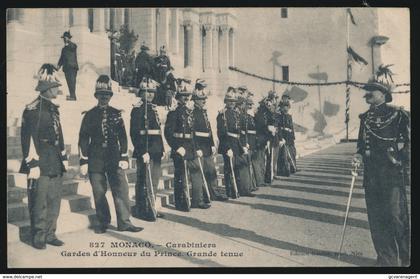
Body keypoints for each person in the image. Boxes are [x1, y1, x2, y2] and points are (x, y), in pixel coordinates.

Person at [352, 78, 410, 267]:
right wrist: (358, 157)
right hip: (372, 176)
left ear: (383, 94)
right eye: (367, 90)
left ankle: (407, 258)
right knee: (376, 218)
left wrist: (402, 159)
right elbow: (361, 145)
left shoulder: (398, 115)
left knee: (396, 216)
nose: (367, 93)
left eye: (372, 91)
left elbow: (409, 142)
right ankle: (386, 259)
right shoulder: (365, 118)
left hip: (392, 175)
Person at [78, 75, 143, 234]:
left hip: (114, 157)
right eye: (101, 95)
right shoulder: (89, 115)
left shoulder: (116, 113)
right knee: (99, 193)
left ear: (110, 96)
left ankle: (124, 222)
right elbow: (83, 138)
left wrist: (124, 157)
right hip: (96, 158)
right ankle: (102, 222)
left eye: (107, 95)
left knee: (121, 190)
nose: (104, 97)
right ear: (96, 96)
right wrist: (84, 160)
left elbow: (123, 137)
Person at [19, 64, 68, 249]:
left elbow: (59, 134)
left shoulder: (54, 108)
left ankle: (50, 234)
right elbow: (28, 138)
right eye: (55, 87)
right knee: (39, 201)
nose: (57, 89)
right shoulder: (32, 109)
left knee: (54, 200)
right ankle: (38, 236)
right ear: (46, 88)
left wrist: (63, 157)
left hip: (54, 160)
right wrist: (32, 163)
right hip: (40, 162)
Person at [164, 80, 210, 211]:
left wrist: (197, 148)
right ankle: (182, 202)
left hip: (191, 147)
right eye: (183, 95)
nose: (185, 98)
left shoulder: (189, 112)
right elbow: (168, 132)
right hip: (180, 148)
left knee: (196, 173)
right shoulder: (173, 112)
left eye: (187, 96)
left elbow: (192, 132)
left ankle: (197, 200)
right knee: (181, 176)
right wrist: (177, 147)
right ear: (178, 97)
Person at [130, 78, 165, 221]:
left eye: (152, 92)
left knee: (154, 180)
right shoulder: (137, 109)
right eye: (147, 92)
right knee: (144, 180)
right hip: (144, 150)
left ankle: (151, 207)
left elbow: (157, 132)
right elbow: (135, 133)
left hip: (155, 150)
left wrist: (161, 149)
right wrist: (142, 150)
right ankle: (141, 209)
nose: (150, 94)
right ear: (141, 93)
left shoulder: (153, 108)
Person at [192, 79, 228, 202]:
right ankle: (199, 198)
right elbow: (192, 133)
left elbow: (209, 130)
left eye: (204, 100)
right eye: (202, 100)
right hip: (199, 147)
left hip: (207, 146)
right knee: (199, 174)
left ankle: (213, 193)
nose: (204, 101)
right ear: (196, 100)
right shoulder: (193, 113)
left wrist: (212, 144)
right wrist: (196, 148)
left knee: (211, 171)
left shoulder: (204, 112)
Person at [217, 87, 255, 198]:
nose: (232, 104)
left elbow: (241, 132)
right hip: (228, 143)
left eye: (234, 102)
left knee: (240, 168)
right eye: (230, 102)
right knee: (230, 169)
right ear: (226, 102)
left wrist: (244, 144)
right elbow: (222, 133)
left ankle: (243, 189)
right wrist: (227, 147)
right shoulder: (222, 115)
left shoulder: (237, 114)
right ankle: (231, 191)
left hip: (238, 144)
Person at [276, 99, 296, 177]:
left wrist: (293, 137)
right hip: (283, 137)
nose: (286, 108)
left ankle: (292, 168)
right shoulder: (279, 116)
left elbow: (291, 127)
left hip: (289, 137)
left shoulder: (289, 116)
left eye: (287, 106)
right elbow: (279, 128)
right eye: (284, 106)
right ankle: (284, 170)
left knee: (291, 153)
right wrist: (281, 138)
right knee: (283, 155)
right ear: (281, 107)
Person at [57, 31, 78, 101]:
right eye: (63, 38)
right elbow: (61, 58)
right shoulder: (64, 49)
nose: (64, 39)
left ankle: (73, 96)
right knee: (69, 82)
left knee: (72, 81)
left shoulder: (72, 46)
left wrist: (68, 43)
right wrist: (58, 66)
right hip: (66, 68)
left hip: (72, 67)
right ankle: (72, 95)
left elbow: (73, 47)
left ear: (69, 38)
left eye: (65, 38)